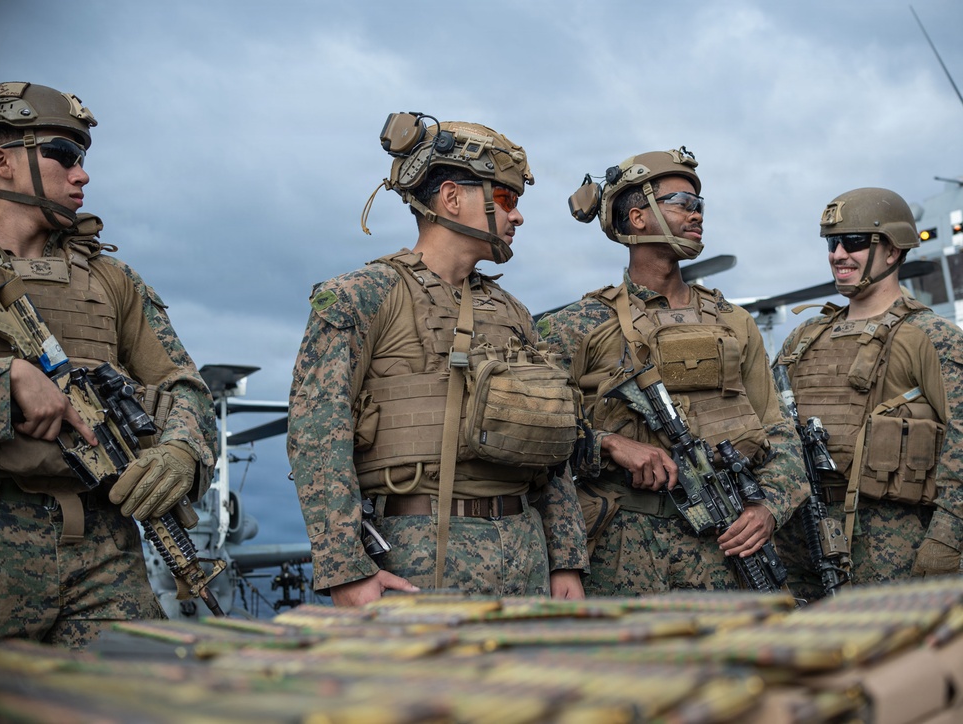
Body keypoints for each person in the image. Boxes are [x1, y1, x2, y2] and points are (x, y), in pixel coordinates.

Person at [289, 112, 587, 606]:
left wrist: (566, 561)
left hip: (526, 556)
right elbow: (316, 435)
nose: (517, 217)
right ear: (451, 197)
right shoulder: (364, 296)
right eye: (505, 198)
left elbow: (550, 450)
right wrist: (346, 571)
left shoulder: (514, 313)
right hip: (415, 557)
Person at [0, 82, 217, 646]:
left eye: (84, 159)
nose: (82, 175)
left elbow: (188, 391)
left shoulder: (110, 279)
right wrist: (2, 383)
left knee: (134, 699)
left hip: (106, 550)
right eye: (64, 155)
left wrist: (179, 453)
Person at [538, 147, 806, 595]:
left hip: (726, 550)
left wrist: (769, 510)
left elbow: (779, 433)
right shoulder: (577, 325)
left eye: (701, 206)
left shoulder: (734, 322)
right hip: (620, 553)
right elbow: (541, 440)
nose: (697, 215)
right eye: (683, 203)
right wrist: (608, 444)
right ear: (638, 217)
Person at [773, 187, 963, 601]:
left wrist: (948, 538)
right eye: (831, 242)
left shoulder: (931, 338)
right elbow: (768, 428)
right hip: (800, 538)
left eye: (855, 241)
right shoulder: (802, 339)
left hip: (890, 549)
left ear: (893, 251)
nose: (838, 253)